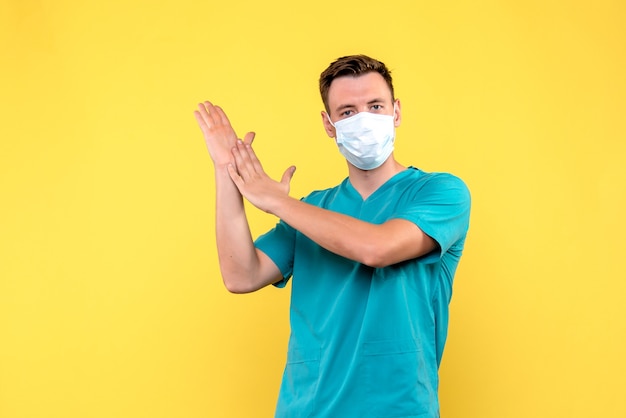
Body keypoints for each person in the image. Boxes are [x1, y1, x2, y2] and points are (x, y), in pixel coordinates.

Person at [194, 54, 471, 418]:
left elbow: (377, 247)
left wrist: (278, 202)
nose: (364, 119)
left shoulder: (439, 192)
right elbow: (240, 275)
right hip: (307, 408)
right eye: (348, 112)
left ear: (396, 112)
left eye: (375, 106)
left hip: (399, 408)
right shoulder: (313, 209)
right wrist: (226, 171)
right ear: (329, 124)